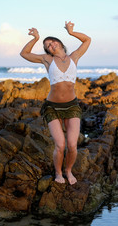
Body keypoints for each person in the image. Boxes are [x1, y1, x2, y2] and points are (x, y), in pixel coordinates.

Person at [20, 21, 91, 185]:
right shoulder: (47, 59)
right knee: (60, 145)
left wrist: (72, 32)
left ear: (59, 42)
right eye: (47, 45)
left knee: (72, 145)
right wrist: (35, 38)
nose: (51, 45)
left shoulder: (74, 56)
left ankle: (68, 170)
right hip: (52, 108)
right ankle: (58, 173)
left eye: (52, 42)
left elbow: (87, 40)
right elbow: (24, 54)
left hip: (72, 106)